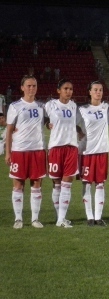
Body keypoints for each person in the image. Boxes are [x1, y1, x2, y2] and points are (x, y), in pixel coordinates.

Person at [5, 75, 46, 229]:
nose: (31, 88)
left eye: (34, 86)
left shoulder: (41, 107)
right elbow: (9, 130)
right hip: (19, 151)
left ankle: (35, 218)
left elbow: (50, 122)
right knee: (18, 185)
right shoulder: (15, 106)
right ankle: (18, 219)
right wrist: (8, 152)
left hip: (37, 150)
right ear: (22, 87)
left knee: (37, 185)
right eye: (28, 86)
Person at [45, 79, 79, 228]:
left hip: (71, 147)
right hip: (55, 147)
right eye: (65, 88)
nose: (68, 91)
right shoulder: (50, 105)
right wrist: (46, 123)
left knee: (66, 184)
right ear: (58, 90)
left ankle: (61, 219)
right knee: (57, 184)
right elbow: (42, 118)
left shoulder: (73, 105)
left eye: (71, 89)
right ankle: (60, 217)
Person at [77, 81, 109, 226]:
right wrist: (79, 132)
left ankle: (98, 216)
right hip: (86, 152)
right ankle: (89, 216)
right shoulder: (82, 110)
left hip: (102, 151)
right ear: (89, 92)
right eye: (95, 90)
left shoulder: (106, 108)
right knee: (87, 184)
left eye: (101, 90)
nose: (98, 92)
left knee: (100, 184)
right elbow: (71, 123)